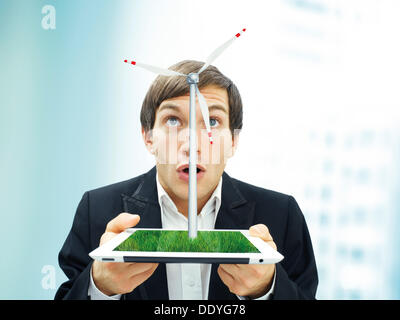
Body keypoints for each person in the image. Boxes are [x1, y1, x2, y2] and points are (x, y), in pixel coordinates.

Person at [55, 60, 318, 300]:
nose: (191, 143)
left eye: (213, 121)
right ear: (148, 137)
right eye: (172, 120)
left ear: (233, 141)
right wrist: (100, 286)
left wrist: (266, 289)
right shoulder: (98, 210)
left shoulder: (281, 215)